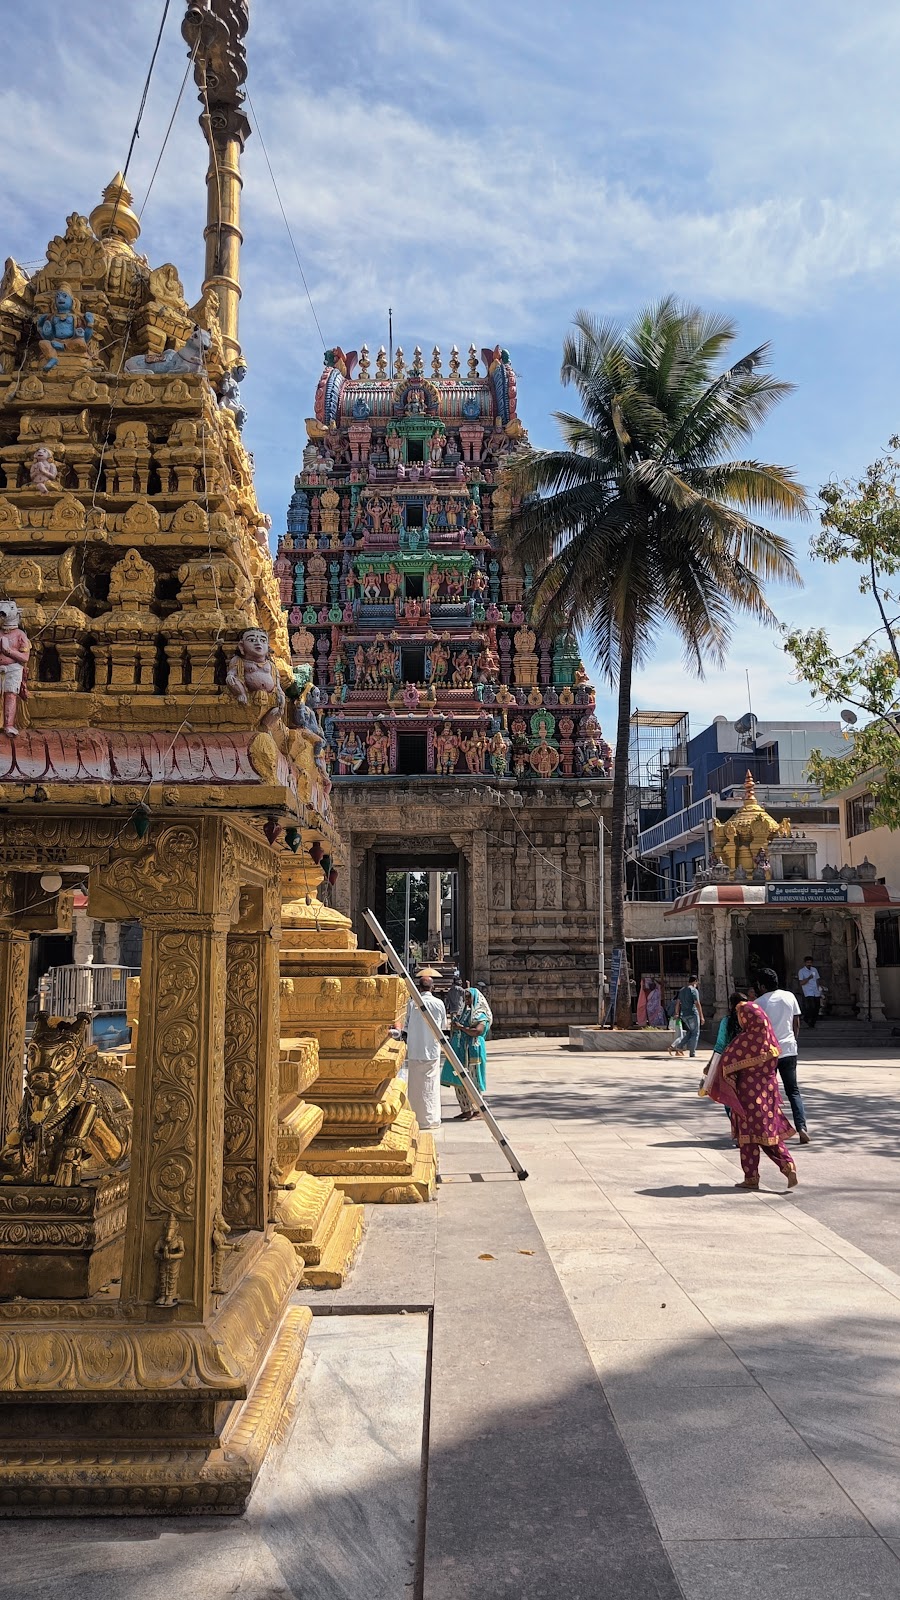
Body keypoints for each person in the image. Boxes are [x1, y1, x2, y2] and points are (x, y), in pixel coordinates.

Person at [710, 999, 799, 1189]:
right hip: (768, 1093)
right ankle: (787, 1164)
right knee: (769, 1132)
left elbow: (726, 1063)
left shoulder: (744, 1041)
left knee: (748, 1136)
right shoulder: (770, 1040)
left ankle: (751, 1177)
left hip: (747, 1095)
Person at [754, 968, 809, 1143]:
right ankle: (801, 1127)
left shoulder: (759, 1003)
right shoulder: (789, 996)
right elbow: (796, 1022)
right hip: (789, 1049)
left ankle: (770, 1129)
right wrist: (793, 1040)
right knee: (793, 1091)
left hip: (768, 1052)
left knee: (766, 1091)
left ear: (762, 986)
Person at [401, 975, 447, 1131]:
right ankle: (431, 1119)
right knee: (431, 1086)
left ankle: (416, 1118)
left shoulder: (412, 1004)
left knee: (415, 1087)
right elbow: (442, 1025)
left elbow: (406, 1026)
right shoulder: (439, 1003)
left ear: (419, 988)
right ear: (432, 987)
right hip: (432, 1049)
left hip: (415, 1049)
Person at [442, 985, 492, 1120]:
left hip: (473, 1051)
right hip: (461, 1049)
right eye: (465, 997)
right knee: (459, 1079)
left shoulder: (481, 1015)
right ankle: (466, 1109)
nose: (467, 999)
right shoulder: (465, 1013)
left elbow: (478, 1031)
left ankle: (478, 1111)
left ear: (476, 998)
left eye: (469, 997)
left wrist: (462, 1028)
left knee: (473, 1081)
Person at [674, 974, 704, 1058]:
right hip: (692, 1013)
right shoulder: (694, 990)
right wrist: (701, 1016)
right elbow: (697, 1003)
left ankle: (679, 1046)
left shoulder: (682, 990)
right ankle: (692, 1052)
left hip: (684, 1014)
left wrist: (676, 1013)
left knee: (691, 1032)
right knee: (695, 1033)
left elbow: (677, 1003)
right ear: (695, 981)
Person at [797, 956, 822, 1029]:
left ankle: (813, 1023)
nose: (809, 964)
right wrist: (808, 978)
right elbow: (801, 983)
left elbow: (817, 980)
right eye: (807, 962)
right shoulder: (801, 971)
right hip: (808, 992)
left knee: (817, 1007)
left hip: (815, 991)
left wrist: (818, 989)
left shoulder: (814, 970)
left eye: (810, 962)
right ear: (805, 963)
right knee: (811, 1007)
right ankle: (807, 1019)